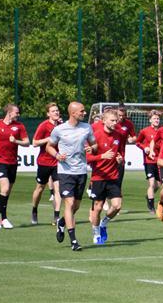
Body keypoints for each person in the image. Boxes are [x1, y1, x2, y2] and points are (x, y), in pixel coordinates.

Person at [46, 101, 96, 251]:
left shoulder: (87, 128)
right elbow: (49, 146)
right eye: (82, 111)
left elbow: (95, 144)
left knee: (75, 206)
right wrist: (57, 155)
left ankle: (62, 222)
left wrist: (91, 148)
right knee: (69, 202)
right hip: (65, 172)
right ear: (73, 113)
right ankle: (74, 241)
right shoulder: (59, 129)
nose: (84, 113)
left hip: (81, 171)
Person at [0, 104, 30, 229]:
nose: (18, 115)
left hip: (13, 162)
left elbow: (27, 142)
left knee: (7, 192)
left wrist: (16, 141)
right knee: (5, 188)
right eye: (16, 112)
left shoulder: (20, 126)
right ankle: (1, 217)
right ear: (9, 112)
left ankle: (0, 216)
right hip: (0, 161)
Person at [86, 108, 124, 245]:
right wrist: (102, 156)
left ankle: (104, 223)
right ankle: (96, 233)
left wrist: (119, 159)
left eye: (116, 120)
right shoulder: (95, 136)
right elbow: (88, 157)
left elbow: (119, 153)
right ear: (104, 121)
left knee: (117, 206)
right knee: (98, 207)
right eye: (112, 120)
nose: (115, 123)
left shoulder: (118, 135)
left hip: (113, 176)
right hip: (98, 177)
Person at [31, 103, 62, 226]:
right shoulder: (44, 126)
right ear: (48, 113)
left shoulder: (62, 126)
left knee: (58, 189)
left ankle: (57, 216)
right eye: (53, 111)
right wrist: (47, 139)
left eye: (57, 110)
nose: (56, 112)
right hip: (44, 162)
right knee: (40, 189)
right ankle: (34, 210)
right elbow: (34, 142)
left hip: (58, 162)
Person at [136, 110, 162, 213]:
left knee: (159, 185)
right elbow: (138, 142)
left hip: (159, 161)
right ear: (150, 120)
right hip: (149, 161)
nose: (157, 120)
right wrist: (144, 148)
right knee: (151, 183)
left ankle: (148, 197)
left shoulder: (161, 131)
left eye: (158, 119)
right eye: (155, 118)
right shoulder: (145, 131)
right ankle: (151, 206)